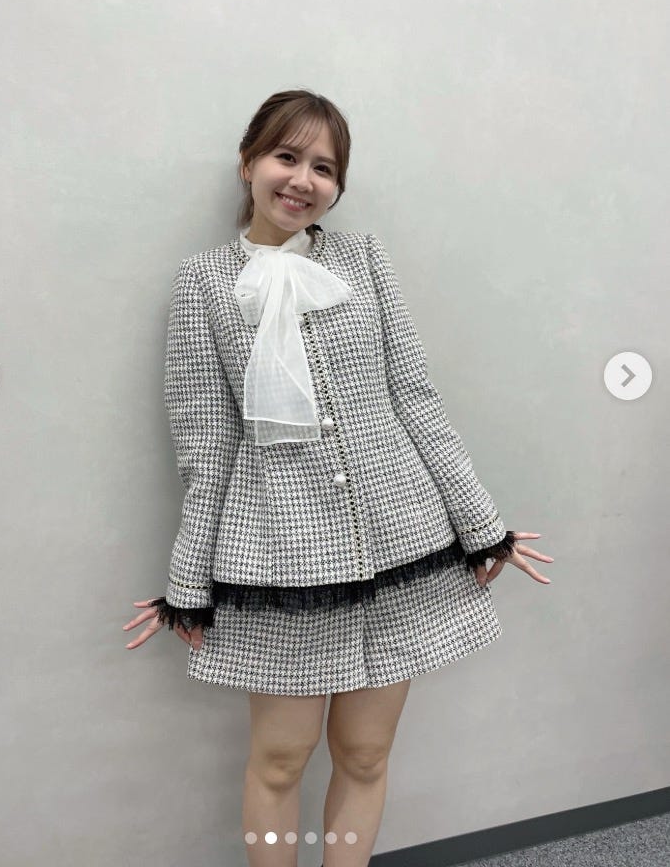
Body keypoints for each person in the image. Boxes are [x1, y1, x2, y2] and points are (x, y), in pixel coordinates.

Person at [123, 89, 553, 867]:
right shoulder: (202, 283)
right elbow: (206, 445)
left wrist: (482, 527)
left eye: (324, 167)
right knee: (280, 760)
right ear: (248, 163)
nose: (303, 180)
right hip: (281, 559)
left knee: (365, 754)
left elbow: (414, 397)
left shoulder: (364, 260)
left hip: (401, 543)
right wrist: (188, 582)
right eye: (287, 157)